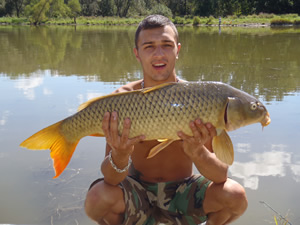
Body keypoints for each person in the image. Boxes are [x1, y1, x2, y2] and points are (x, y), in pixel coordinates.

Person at [84, 15, 248, 225]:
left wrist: (197, 152)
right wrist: (121, 155)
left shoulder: (199, 98)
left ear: (177, 50)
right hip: (137, 190)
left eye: (166, 45)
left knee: (235, 196)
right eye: (149, 46)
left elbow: (219, 176)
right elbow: (111, 179)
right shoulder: (122, 100)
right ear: (137, 53)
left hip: (182, 193)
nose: (159, 54)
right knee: (97, 198)